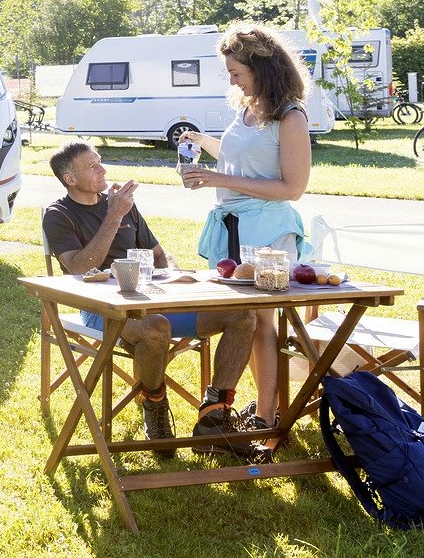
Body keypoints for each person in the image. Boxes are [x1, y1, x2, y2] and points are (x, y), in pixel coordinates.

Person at [43, 141, 264, 460]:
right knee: (155, 327)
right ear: (70, 179)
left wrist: (174, 275)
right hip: (102, 309)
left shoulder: (122, 206)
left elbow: (159, 255)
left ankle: (214, 416)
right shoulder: (59, 214)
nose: (103, 169)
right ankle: (155, 404)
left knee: (242, 314)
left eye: (100, 161)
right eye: (92, 166)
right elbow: (79, 267)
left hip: (152, 300)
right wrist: (114, 216)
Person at [179, 22, 313, 434]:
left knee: (262, 321)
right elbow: (247, 157)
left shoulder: (290, 117)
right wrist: (206, 145)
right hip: (234, 229)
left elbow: (292, 187)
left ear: (262, 68)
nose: (232, 80)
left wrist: (218, 179)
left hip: (269, 233)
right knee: (248, 321)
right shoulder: (247, 109)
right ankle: (265, 405)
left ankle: (268, 417)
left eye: (236, 72)